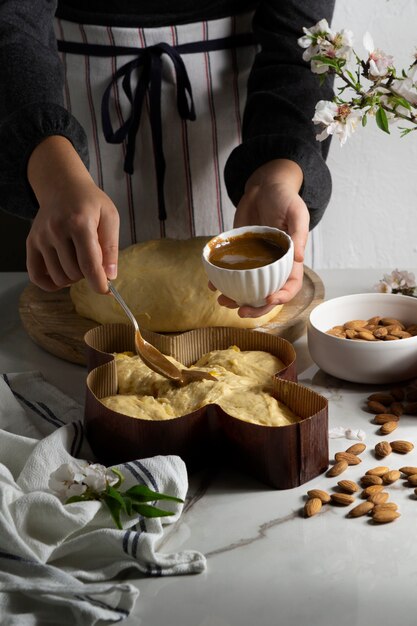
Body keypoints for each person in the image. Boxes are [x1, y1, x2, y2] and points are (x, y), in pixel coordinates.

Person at [0, 0, 334, 318]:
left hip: (248, 118)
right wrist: (55, 175)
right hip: (63, 121)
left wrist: (278, 172)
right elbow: (11, 18)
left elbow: (300, 40)